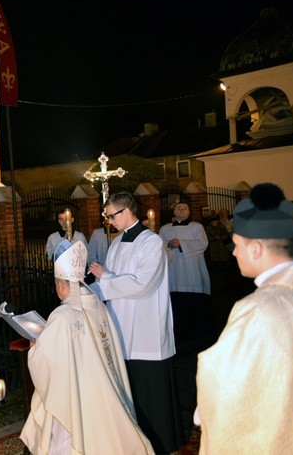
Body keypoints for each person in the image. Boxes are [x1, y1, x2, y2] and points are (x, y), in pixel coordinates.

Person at [195, 183, 293, 453]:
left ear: (256, 248)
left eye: (237, 245)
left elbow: (224, 386)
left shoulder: (256, 309)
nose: (233, 253)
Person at [20, 239, 154, 455]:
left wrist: (36, 345)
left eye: (56, 284)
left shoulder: (63, 315)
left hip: (76, 395)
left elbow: (45, 360)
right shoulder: (98, 306)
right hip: (102, 391)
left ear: (63, 285)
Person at [88, 192, 183, 454]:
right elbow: (108, 281)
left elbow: (143, 284)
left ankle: (161, 442)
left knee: (150, 388)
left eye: (112, 215)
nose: (109, 221)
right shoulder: (117, 243)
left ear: (127, 211)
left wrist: (105, 278)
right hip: (121, 322)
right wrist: (87, 292)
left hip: (145, 325)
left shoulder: (151, 242)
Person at [158, 202, 212, 351]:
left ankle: (198, 333)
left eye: (185, 208)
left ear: (189, 212)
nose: (181, 210)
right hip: (173, 271)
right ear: (173, 211)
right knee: (177, 304)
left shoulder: (196, 227)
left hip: (191, 271)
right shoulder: (165, 229)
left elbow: (203, 243)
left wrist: (181, 243)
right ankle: (179, 334)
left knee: (194, 302)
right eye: (178, 208)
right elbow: (157, 244)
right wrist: (168, 243)